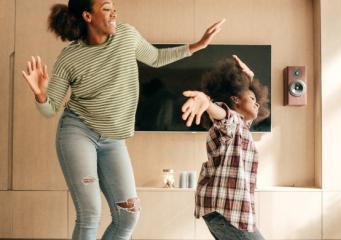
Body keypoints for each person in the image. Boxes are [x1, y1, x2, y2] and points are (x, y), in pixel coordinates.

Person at [20, 0, 224, 239]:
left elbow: (156, 57)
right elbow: (49, 108)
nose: (114, 11)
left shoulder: (127, 35)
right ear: (87, 16)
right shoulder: (70, 57)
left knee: (128, 215)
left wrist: (197, 45)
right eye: (107, 8)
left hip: (113, 140)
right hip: (78, 132)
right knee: (89, 214)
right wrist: (41, 94)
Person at [180, 55, 269, 240]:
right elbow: (223, 115)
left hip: (224, 210)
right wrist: (207, 104)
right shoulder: (232, 123)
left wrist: (250, 79)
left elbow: (248, 114)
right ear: (235, 99)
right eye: (251, 97)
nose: (257, 102)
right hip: (224, 209)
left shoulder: (242, 127)